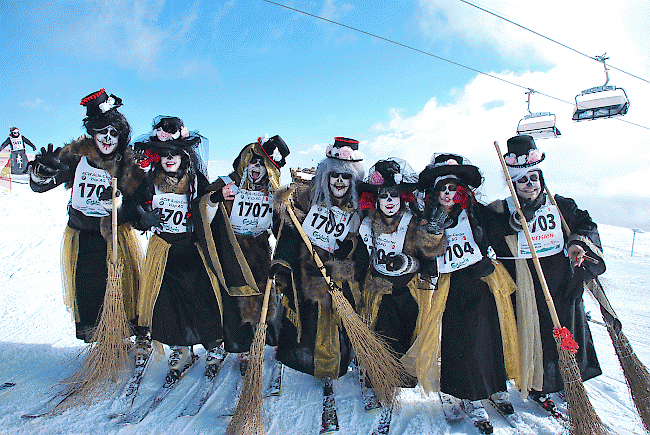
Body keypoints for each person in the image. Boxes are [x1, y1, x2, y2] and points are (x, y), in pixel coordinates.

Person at [489, 135, 604, 413]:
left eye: (534, 178)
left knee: (568, 328)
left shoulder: (560, 204)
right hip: (526, 283)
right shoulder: (502, 209)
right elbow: (488, 234)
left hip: (562, 279)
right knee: (537, 334)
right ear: (513, 183)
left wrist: (577, 243)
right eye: (523, 180)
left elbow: (585, 225)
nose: (530, 185)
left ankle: (570, 378)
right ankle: (541, 385)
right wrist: (513, 224)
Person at [27, 89, 146, 345]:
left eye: (113, 133)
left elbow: (138, 203)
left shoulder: (125, 163)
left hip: (115, 236)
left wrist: (120, 208)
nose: (107, 138)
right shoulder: (75, 155)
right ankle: (99, 338)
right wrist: (41, 173)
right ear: (92, 131)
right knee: (88, 288)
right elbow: (41, 184)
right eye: (102, 131)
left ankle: (121, 335)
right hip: (81, 235)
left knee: (120, 287)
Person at [414, 153, 520, 434]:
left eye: (452, 189)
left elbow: (498, 229)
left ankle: (495, 387)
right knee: (460, 339)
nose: (447, 195)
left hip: (483, 279)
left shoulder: (473, 211)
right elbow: (423, 255)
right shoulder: (427, 218)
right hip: (452, 286)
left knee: (490, 334)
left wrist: (515, 222)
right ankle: (466, 393)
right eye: (442, 190)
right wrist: (432, 235)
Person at [133, 116, 225, 371]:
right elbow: (134, 210)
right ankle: (181, 349)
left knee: (201, 297)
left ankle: (213, 343)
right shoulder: (150, 183)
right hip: (163, 250)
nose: (169, 158)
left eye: (175, 153)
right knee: (168, 301)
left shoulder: (196, 182)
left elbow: (209, 210)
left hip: (192, 249)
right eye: (164, 155)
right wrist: (143, 218)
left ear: (185, 155)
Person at [271, 137, 366, 384]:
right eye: (335, 175)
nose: (339, 182)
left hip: (339, 277)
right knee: (307, 318)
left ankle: (336, 361)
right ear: (326, 176)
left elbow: (366, 244)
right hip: (307, 271)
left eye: (345, 177)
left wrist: (349, 248)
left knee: (336, 322)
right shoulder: (309, 198)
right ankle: (304, 360)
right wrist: (286, 211)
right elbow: (286, 229)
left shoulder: (359, 209)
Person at [195, 134, 289, 375]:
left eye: (262, 164)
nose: (256, 168)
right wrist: (217, 198)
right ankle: (244, 346)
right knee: (237, 299)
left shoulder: (272, 191)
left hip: (259, 250)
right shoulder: (228, 183)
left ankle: (263, 341)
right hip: (231, 250)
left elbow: (281, 226)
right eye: (252, 162)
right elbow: (202, 206)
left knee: (262, 297)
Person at [356, 158, 446, 386]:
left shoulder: (413, 222)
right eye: (383, 196)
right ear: (375, 200)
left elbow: (428, 257)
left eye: (393, 195)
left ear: (402, 198)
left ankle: (405, 376)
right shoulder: (367, 224)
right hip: (379, 290)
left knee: (406, 331)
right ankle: (378, 373)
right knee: (381, 333)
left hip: (407, 290)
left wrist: (412, 261)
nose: (388, 201)